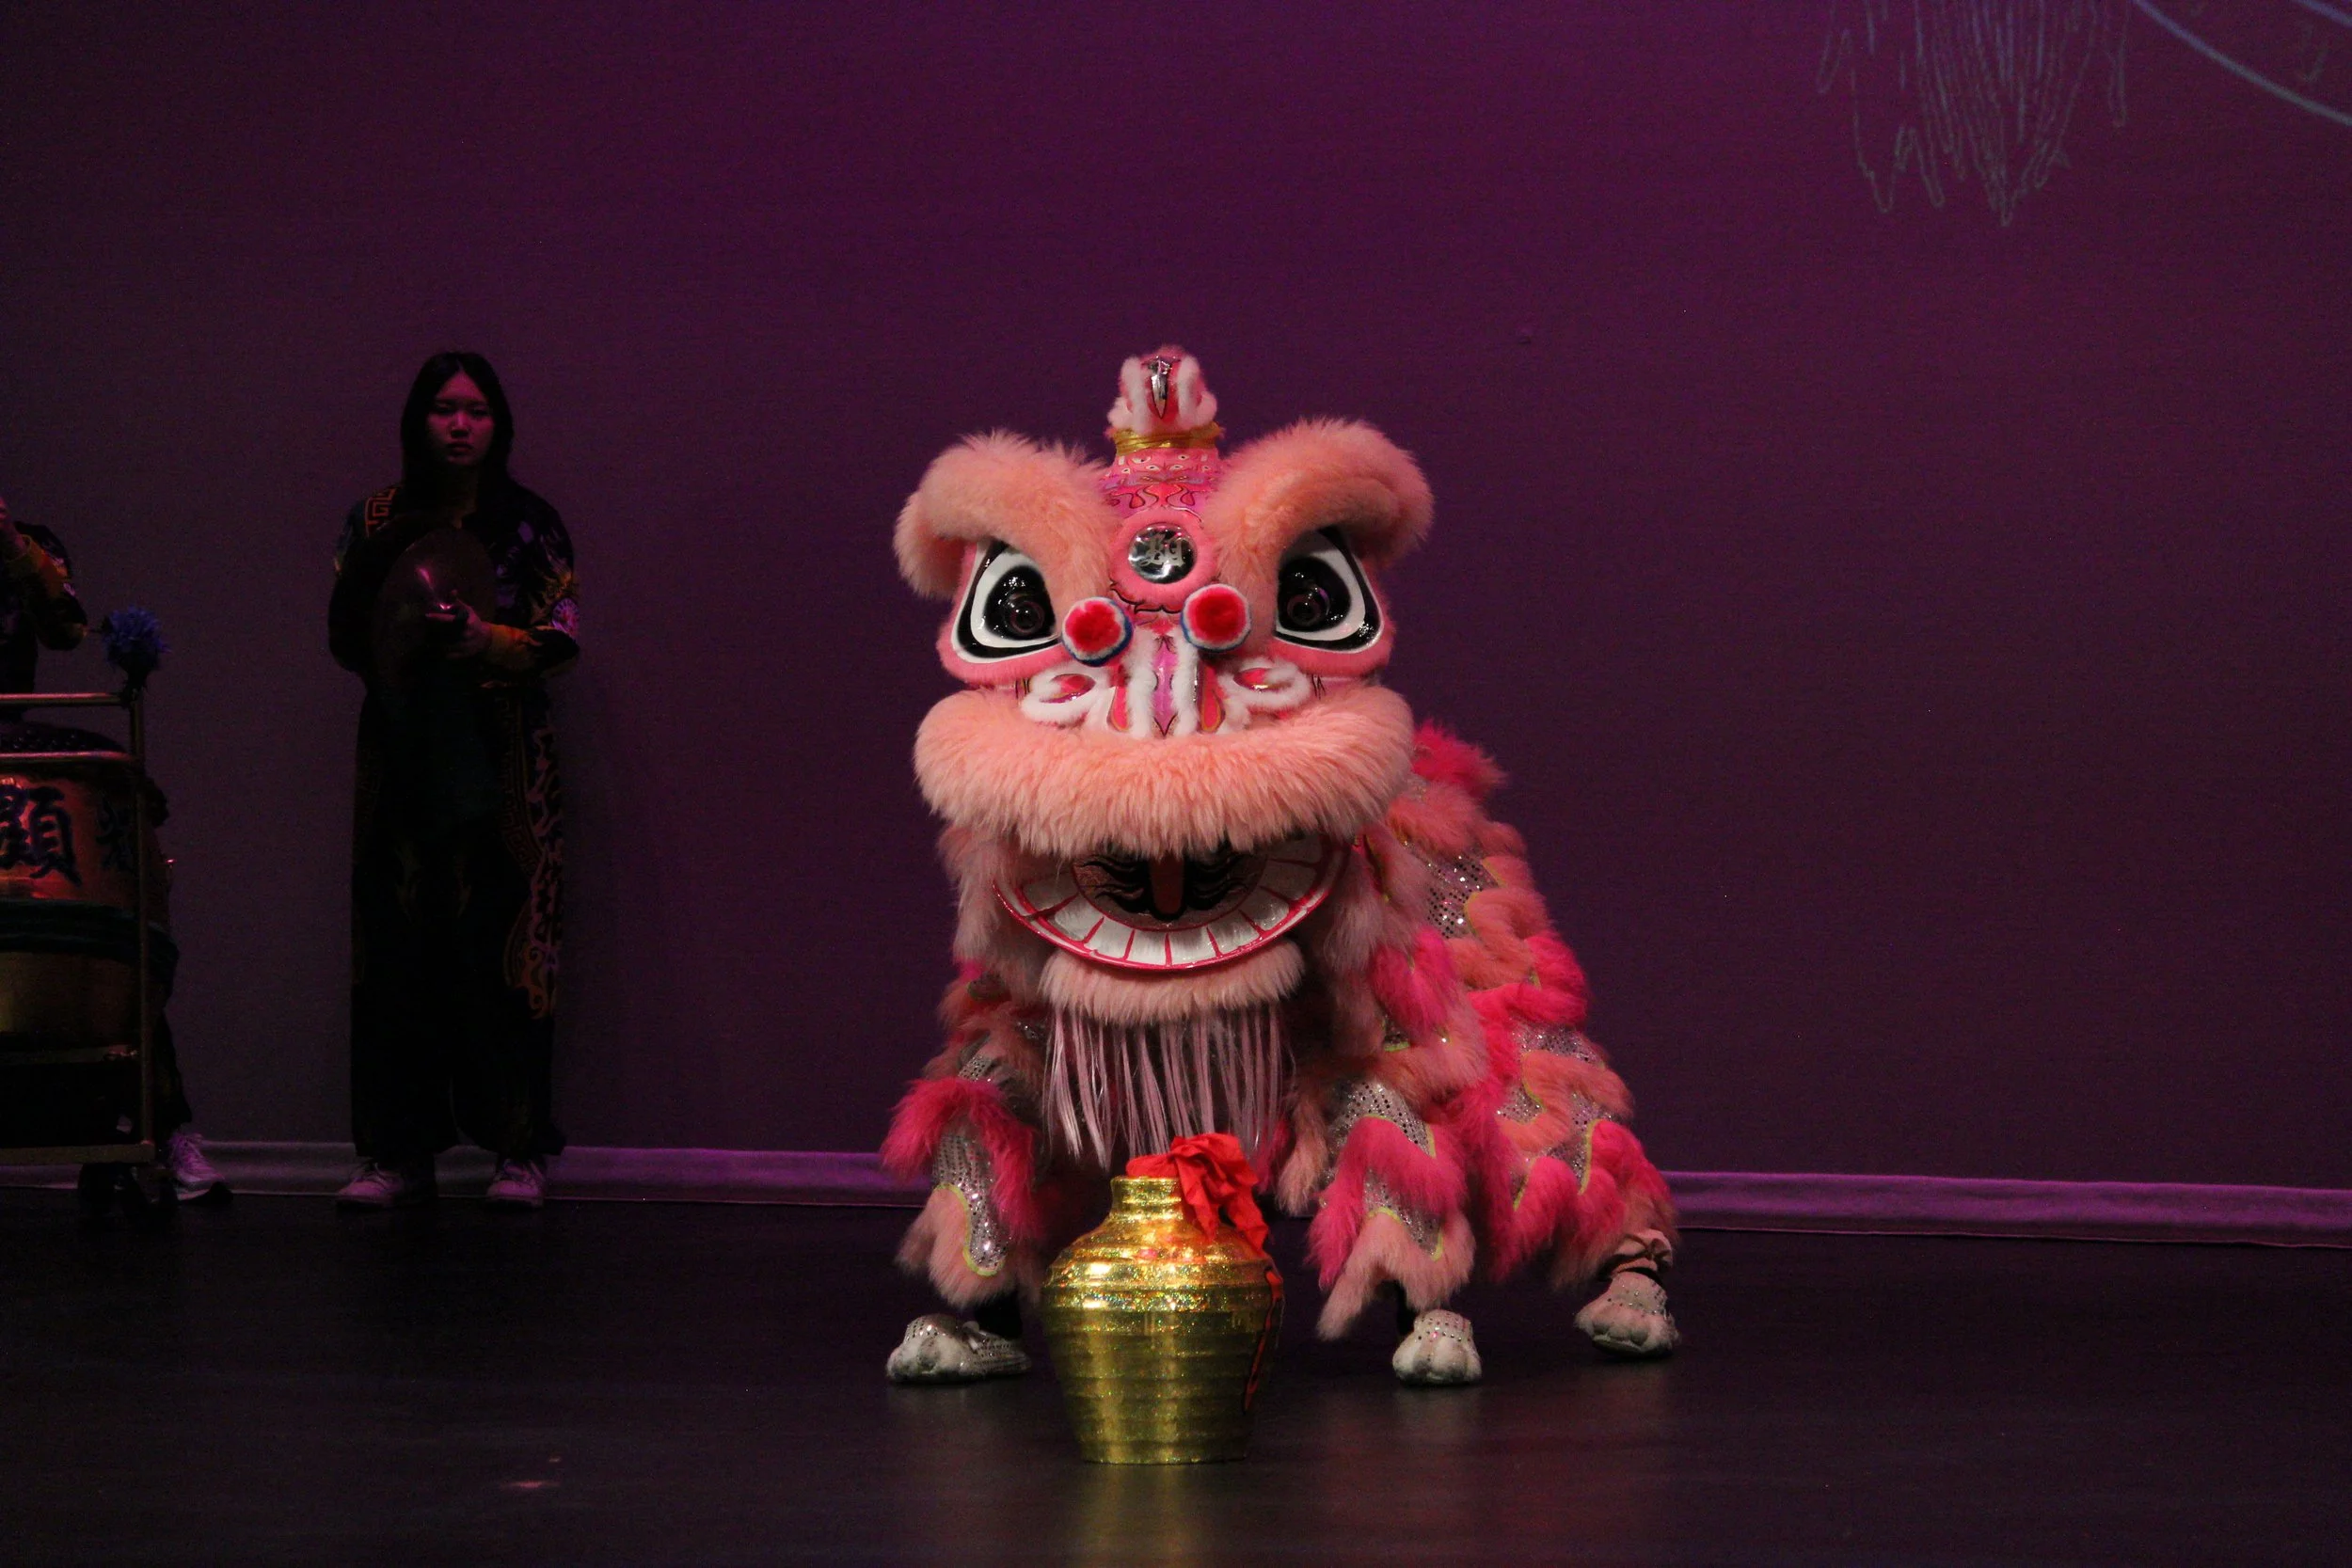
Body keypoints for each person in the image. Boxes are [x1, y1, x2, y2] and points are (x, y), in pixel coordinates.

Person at [326, 353, 578, 1210]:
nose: (460, 425)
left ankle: (517, 1149)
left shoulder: (529, 523)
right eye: (443, 409)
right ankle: (392, 1152)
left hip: (506, 749)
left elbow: (563, 636)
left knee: (509, 946)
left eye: (476, 410)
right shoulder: (375, 520)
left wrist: (488, 641)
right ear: (417, 420)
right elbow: (346, 630)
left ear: (499, 423)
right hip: (402, 745)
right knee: (396, 945)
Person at [0, 492, 230, 1204]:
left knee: (108, 943)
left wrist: (8, 541)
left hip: (17, 766)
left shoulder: (28, 544)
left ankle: (162, 1126)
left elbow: (67, 626)